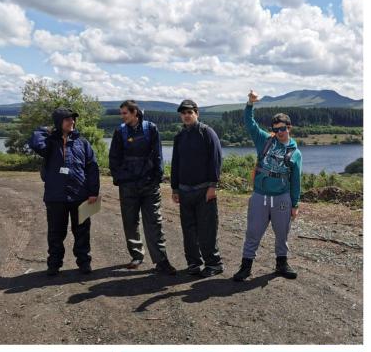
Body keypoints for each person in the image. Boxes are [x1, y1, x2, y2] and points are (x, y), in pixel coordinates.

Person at [232, 92, 302, 282]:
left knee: (282, 233)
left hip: (282, 197)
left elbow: (296, 181)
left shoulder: (296, 153)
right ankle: (245, 267)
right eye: (276, 129)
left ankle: (282, 264)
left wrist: (295, 204)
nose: (280, 132)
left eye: (283, 128)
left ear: (290, 128)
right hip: (259, 196)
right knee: (253, 232)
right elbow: (249, 123)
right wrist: (249, 104)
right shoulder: (264, 140)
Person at [28, 107, 99, 276]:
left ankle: (84, 263)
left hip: (80, 195)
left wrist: (93, 192)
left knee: (82, 231)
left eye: (73, 119)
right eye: (67, 119)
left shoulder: (82, 143)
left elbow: (92, 168)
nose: (72, 122)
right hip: (55, 196)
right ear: (59, 122)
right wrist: (44, 130)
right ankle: (54, 265)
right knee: (56, 232)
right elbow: (35, 143)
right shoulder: (50, 143)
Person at [109, 100, 176, 274]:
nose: (122, 116)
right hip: (128, 185)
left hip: (149, 185)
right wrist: (120, 179)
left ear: (135, 113)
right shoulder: (119, 131)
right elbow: (114, 158)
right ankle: (137, 255)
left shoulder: (150, 128)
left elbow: (158, 155)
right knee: (130, 223)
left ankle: (161, 261)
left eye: (125, 113)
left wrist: (156, 178)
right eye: (121, 113)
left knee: (154, 223)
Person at [169, 98, 223, 277]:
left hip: (204, 189)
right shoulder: (179, 137)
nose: (186, 115)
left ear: (196, 113)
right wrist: (175, 189)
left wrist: (213, 186)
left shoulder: (207, 133)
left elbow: (216, 160)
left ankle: (213, 264)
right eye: (183, 113)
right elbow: (175, 164)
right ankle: (193, 263)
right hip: (184, 191)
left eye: (189, 112)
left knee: (207, 228)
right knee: (189, 229)